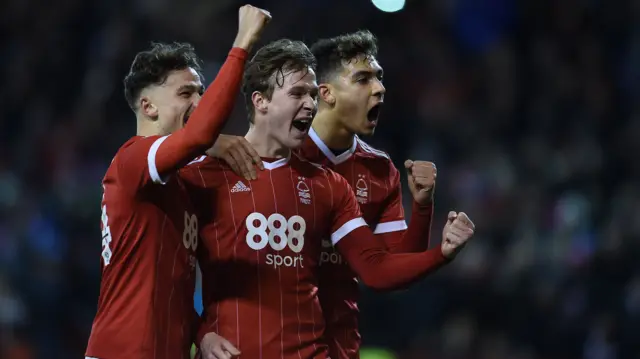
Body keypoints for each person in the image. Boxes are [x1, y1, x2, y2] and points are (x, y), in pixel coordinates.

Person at [185, 39, 475, 359]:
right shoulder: (204, 176)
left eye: (312, 95)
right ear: (261, 101)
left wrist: (442, 253)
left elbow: (376, 268)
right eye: (297, 94)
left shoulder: (329, 185)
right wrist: (202, 332)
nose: (309, 104)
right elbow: (165, 273)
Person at [84, 5, 271, 359]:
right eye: (186, 94)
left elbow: (173, 285)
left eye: (201, 92)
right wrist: (243, 41)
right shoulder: (132, 159)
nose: (199, 103)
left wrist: (201, 334)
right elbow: (201, 133)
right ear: (148, 106)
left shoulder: (180, 185)